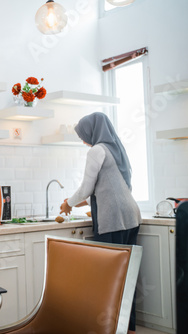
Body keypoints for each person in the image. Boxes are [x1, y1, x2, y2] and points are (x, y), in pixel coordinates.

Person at [59, 112, 141, 334]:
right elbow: (115, 185)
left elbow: (86, 187)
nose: (83, 139)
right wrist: (85, 203)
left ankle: (109, 328)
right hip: (131, 217)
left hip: (113, 220)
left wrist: (68, 204)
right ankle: (128, 328)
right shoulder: (117, 147)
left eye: (83, 134)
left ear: (92, 131)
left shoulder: (96, 150)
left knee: (109, 278)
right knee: (127, 276)